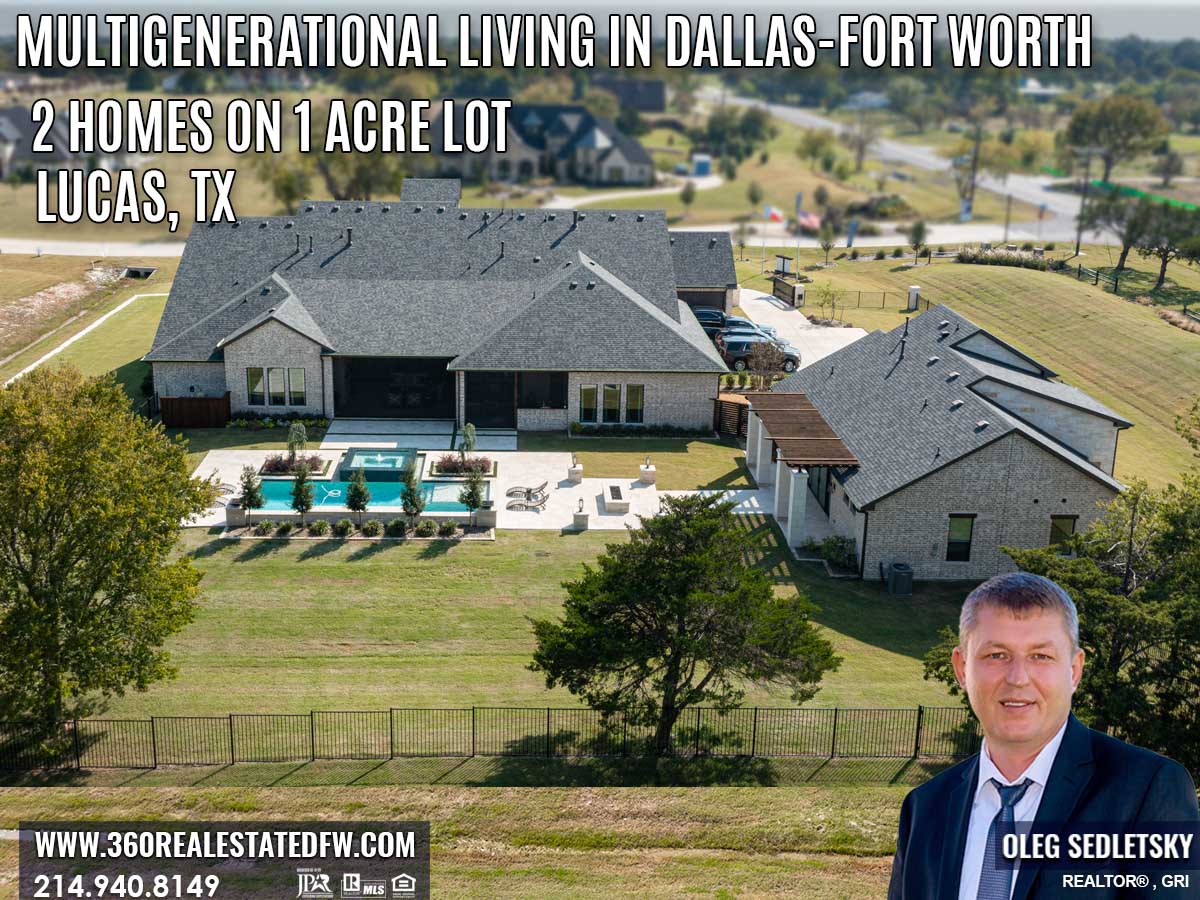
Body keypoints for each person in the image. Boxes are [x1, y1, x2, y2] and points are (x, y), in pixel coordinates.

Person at [888, 572, 1198, 900]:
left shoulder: (1148, 790)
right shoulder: (924, 808)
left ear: (1074, 670)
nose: (1018, 678)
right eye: (996, 655)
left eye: (1041, 656)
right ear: (962, 668)